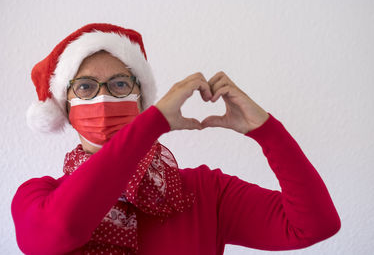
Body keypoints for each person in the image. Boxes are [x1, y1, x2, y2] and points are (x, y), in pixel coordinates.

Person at [11, 23, 341, 255]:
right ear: (65, 109)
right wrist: (151, 127)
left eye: (120, 84)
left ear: (143, 101)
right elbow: (62, 229)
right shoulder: (38, 197)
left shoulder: (206, 193)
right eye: (84, 87)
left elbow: (315, 225)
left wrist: (266, 130)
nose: (103, 98)